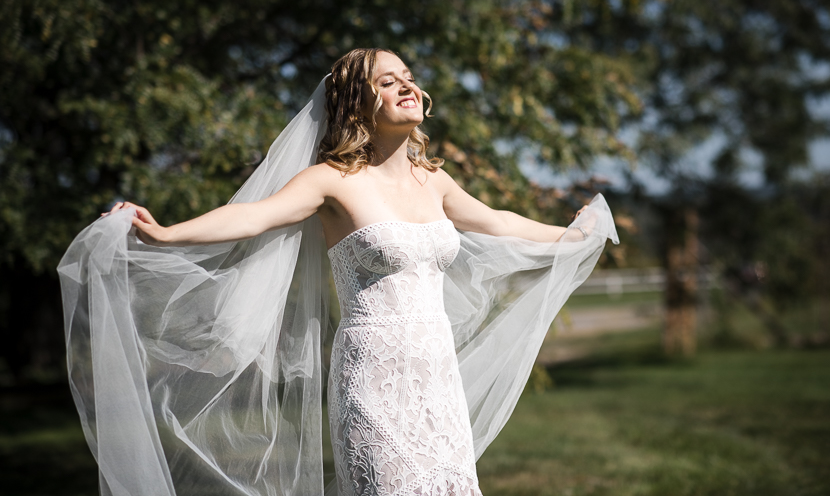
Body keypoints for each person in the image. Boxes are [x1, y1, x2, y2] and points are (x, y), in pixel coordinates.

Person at [60, 48, 618, 496]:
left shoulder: (435, 181)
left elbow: (496, 221)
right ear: (357, 104)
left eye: (409, 77)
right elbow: (251, 217)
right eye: (386, 82)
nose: (406, 87)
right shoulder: (331, 181)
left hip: (436, 377)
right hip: (373, 377)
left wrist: (572, 237)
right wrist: (165, 233)